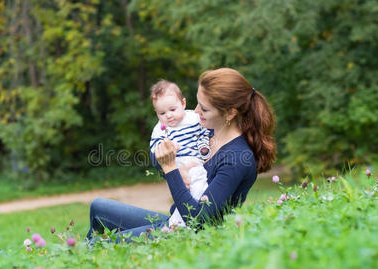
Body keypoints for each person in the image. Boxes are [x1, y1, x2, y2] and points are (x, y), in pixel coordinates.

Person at [86, 67, 276, 242]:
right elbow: (165, 160)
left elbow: (199, 220)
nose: (195, 111)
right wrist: (172, 167)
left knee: (95, 245)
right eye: (198, 103)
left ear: (229, 113)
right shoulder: (207, 133)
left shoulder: (237, 159)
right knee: (98, 207)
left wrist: (170, 170)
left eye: (204, 108)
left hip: (185, 234)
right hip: (175, 219)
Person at [149, 79, 211, 228]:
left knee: (198, 184)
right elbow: (154, 149)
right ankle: (178, 223)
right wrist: (166, 146)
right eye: (162, 113)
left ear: (183, 104)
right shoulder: (160, 128)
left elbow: (204, 132)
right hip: (175, 164)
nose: (168, 116)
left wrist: (203, 146)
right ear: (156, 113)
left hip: (194, 161)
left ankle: (178, 223)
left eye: (172, 110)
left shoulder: (194, 118)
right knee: (183, 193)